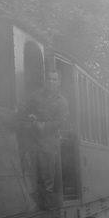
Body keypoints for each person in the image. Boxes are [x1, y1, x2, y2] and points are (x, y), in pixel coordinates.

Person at [26, 70, 70, 208]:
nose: (51, 82)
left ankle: (46, 207)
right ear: (45, 81)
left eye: (54, 79)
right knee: (30, 173)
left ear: (59, 82)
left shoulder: (62, 101)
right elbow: (25, 109)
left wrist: (44, 126)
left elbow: (62, 122)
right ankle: (32, 204)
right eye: (49, 79)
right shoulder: (35, 96)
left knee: (47, 176)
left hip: (49, 142)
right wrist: (30, 116)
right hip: (32, 140)